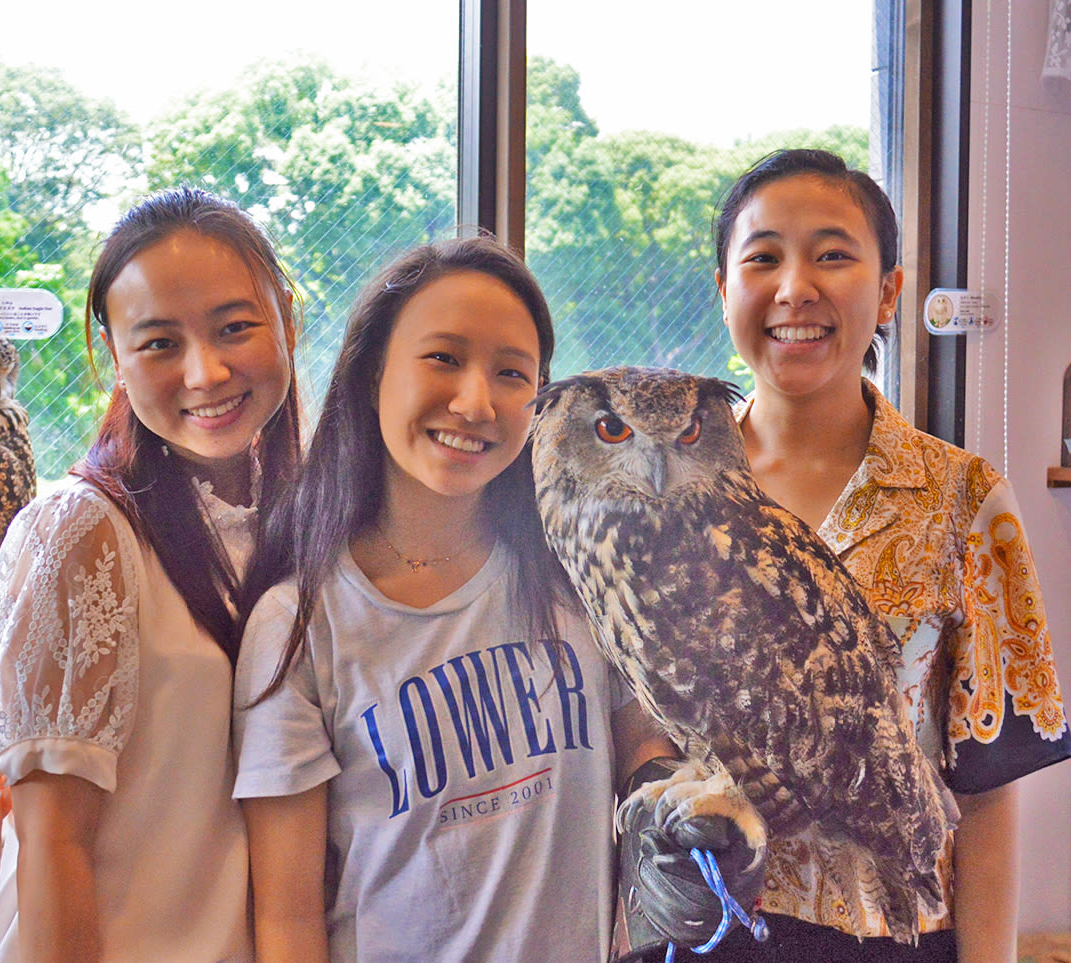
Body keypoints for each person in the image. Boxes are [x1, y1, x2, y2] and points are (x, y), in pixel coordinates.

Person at [633, 148, 1071, 962]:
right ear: (724, 289)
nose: (795, 287)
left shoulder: (965, 503)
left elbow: (987, 791)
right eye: (762, 257)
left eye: (832, 254)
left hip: (894, 935)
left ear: (891, 292)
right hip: (696, 932)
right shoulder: (655, 495)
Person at [232, 236, 671, 962]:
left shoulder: (576, 572)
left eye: (511, 373)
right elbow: (286, 917)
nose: (475, 402)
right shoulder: (298, 626)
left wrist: (677, 801)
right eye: (443, 358)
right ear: (373, 371)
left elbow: (641, 737)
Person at [0, 186, 302, 962]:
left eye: (235, 327)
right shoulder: (83, 532)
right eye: (158, 343)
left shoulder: (304, 513)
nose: (206, 371)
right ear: (112, 355)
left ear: (286, 317)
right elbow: (53, 848)